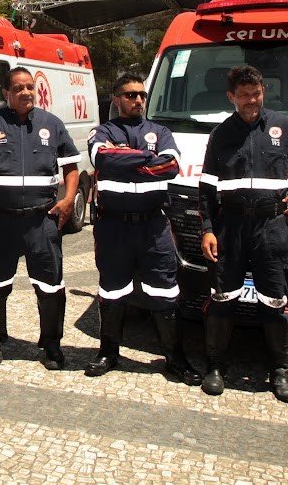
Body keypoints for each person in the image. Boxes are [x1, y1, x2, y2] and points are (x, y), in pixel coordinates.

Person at [199, 64, 288, 403]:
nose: (251, 101)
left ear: (263, 92)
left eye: (256, 94)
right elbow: (207, 188)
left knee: (275, 298)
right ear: (232, 97)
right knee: (223, 296)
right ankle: (215, 367)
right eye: (244, 96)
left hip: (271, 226)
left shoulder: (283, 126)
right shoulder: (221, 134)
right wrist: (207, 230)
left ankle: (280, 373)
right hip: (231, 227)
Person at [85, 74, 200, 385]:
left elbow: (171, 166)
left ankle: (175, 359)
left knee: (164, 291)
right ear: (116, 99)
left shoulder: (160, 131)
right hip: (113, 229)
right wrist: (149, 159)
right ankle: (108, 353)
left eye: (142, 95)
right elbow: (102, 159)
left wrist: (130, 159)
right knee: (111, 291)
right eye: (130, 94)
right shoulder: (102, 131)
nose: (138, 100)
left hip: (153, 227)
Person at [0, 67, 80, 370]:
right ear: (6, 93)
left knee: (50, 284)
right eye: (18, 88)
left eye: (30, 87)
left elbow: (70, 167)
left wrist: (68, 199)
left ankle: (51, 344)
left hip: (40, 221)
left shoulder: (52, 124)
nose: (26, 92)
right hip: (0, 220)